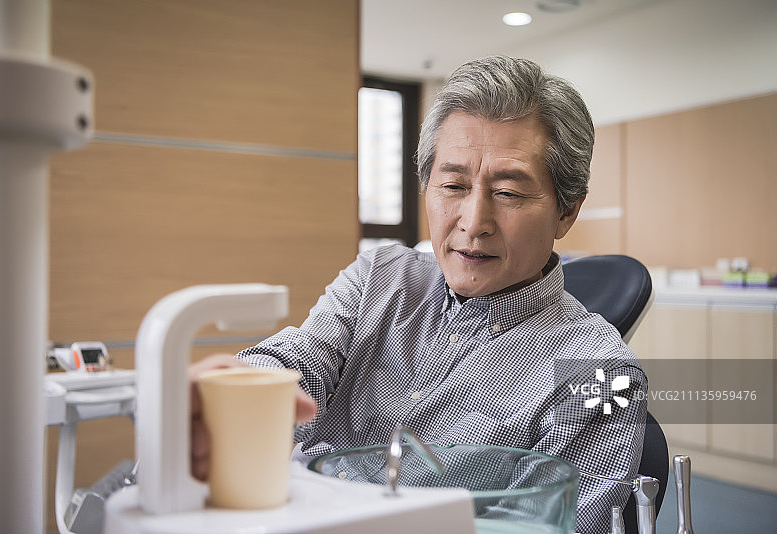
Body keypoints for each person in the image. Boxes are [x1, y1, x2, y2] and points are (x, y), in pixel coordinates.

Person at [190, 56, 647, 534]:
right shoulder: (380, 276)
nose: (473, 222)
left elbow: (556, 525)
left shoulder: (600, 375)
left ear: (566, 213)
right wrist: (237, 392)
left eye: (509, 193)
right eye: (452, 185)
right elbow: (300, 358)